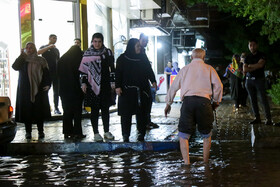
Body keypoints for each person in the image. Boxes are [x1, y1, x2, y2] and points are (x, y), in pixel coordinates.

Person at [164, 48, 223, 165]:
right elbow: (219, 86)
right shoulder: (209, 69)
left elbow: (174, 87)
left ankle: (187, 164)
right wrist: (216, 101)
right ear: (204, 58)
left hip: (188, 103)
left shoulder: (184, 70)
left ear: (191, 58)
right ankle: (206, 163)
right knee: (206, 135)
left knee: (184, 135)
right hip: (204, 102)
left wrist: (168, 103)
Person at [115, 38, 157, 142]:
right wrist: (118, 86)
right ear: (131, 47)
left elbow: (148, 70)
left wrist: (153, 81)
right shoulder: (122, 58)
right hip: (126, 91)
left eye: (139, 46)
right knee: (126, 114)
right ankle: (125, 135)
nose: (139, 48)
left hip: (141, 90)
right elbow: (118, 74)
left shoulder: (142, 58)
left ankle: (141, 134)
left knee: (141, 113)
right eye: (137, 46)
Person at [79, 33, 115, 142]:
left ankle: (106, 131)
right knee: (94, 110)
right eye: (95, 41)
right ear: (92, 41)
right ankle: (96, 133)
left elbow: (112, 68)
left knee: (105, 109)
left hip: (105, 84)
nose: (97, 44)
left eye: (99, 41)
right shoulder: (87, 53)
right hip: (91, 85)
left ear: (102, 42)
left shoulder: (107, 52)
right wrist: (83, 83)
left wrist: (113, 81)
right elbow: (83, 71)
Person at [12, 42, 51, 139]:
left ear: (35, 49)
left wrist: (47, 84)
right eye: (27, 48)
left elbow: (46, 73)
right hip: (26, 90)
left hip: (39, 88)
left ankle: (41, 131)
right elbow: (15, 67)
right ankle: (28, 132)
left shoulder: (41, 60)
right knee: (27, 111)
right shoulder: (23, 60)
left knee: (39, 111)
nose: (29, 49)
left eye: (31, 48)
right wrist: (22, 56)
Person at [57, 45, 86, 139]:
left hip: (64, 90)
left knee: (67, 111)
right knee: (77, 112)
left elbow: (57, 75)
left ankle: (67, 132)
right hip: (76, 90)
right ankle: (78, 132)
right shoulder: (78, 60)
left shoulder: (62, 60)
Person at [243, 39, 272, 125]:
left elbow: (261, 65)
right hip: (249, 81)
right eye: (250, 45)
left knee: (263, 99)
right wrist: (255, 66)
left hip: (259, 80)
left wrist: (250, 66)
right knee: (252, 100)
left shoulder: (262, 55)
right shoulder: (247, 57)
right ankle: (257, 118)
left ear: (257, 45)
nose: (252, 47)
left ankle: (268, 119)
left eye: (253, 45)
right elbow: (245, 69)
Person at [139, 33, 159, 129]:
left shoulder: (143, 51)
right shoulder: (136, 51)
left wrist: (153, 80)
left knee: (148, 100)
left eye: (146, 41)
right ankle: (143, 123)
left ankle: (147, 121)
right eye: (144, 41)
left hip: (144, 81)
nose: (145, 43)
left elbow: (148, 67)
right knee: (143, 103)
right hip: (138, 82)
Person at [38, 34, 61, 114]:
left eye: (56, 38)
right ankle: (45, 109)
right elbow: (38, 53)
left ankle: (56, 108)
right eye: (54, 38)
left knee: (56, 91)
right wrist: (48, 47)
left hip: (56, 73)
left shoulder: (56, 50)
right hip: (46, 73)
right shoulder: (43, 47)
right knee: (45, 90)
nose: (55, 39)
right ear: (49, 38)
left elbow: (58, 60)